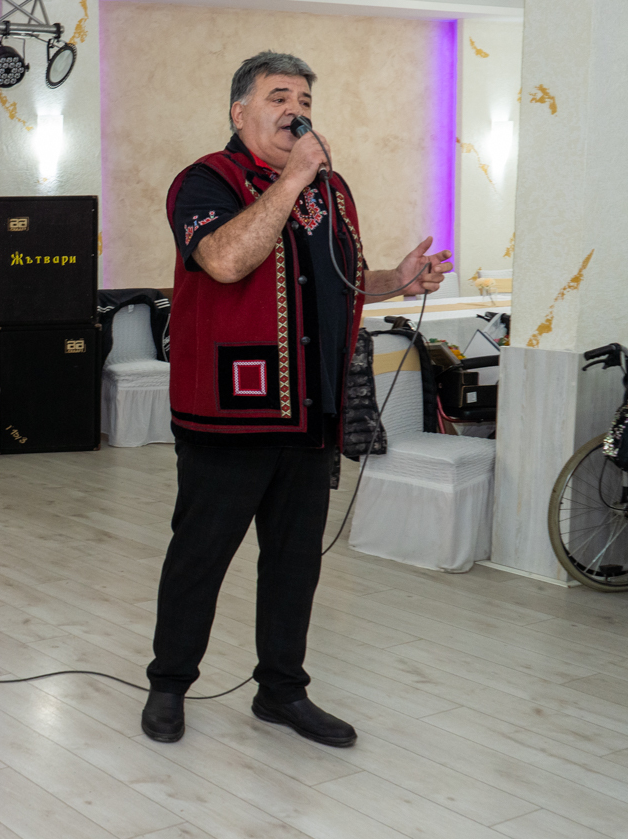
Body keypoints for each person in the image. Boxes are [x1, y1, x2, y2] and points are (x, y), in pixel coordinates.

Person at [143, 52, 450, 748]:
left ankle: (281, 690)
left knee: (294, 565)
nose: (296, 109)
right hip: (228, 414)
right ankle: (169, 684)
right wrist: (293, 179)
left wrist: (396, 280)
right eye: (278, 96)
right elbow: (225, 260)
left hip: (311, 411)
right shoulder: (205, 181)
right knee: (199, 557)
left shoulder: (330, 191)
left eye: (305, 98)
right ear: (239, 111)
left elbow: (340, 277)